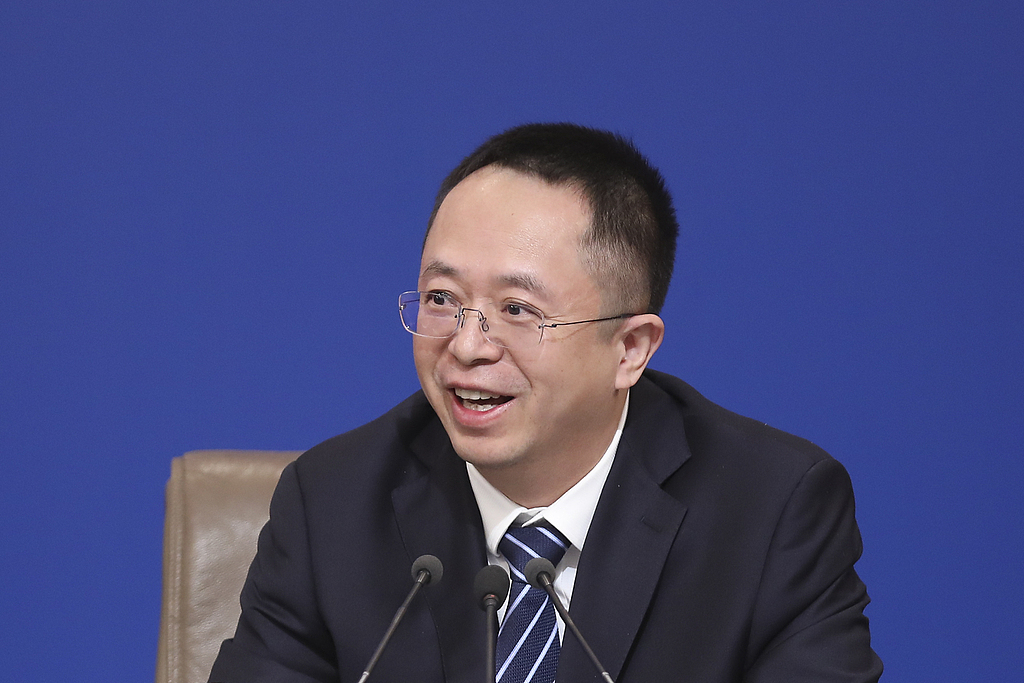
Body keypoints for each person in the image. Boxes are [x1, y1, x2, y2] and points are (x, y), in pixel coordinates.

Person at [208, 123, 882, 682]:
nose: (467, 345)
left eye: (517, 309)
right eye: (442, 298)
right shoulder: (331, 506)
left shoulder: (771, 513)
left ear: (630, 349)